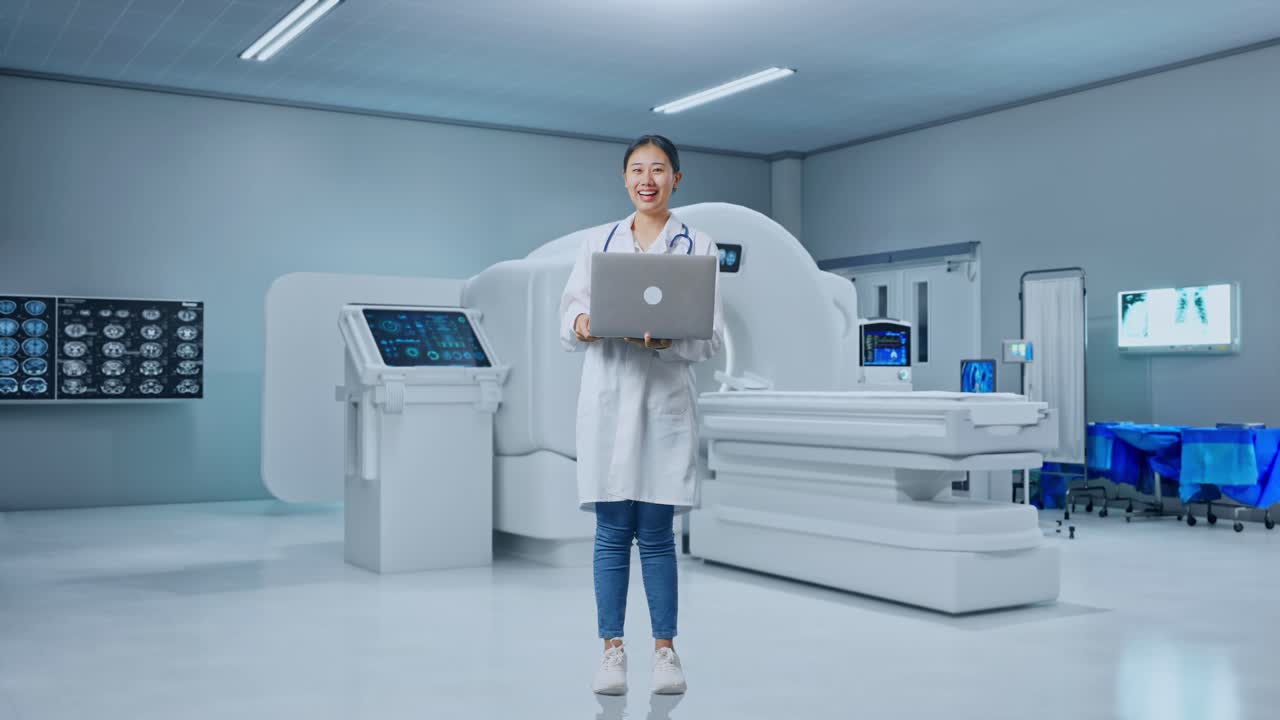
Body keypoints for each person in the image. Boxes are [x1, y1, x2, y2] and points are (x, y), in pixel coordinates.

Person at [559, 135, 724, 696]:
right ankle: (611, 651)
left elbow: (710, 338)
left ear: (678, 177)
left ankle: (666, 653)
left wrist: (666, 342)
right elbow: (571, 315)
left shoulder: (698, 245)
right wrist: (587, 325)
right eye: (636, 170)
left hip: (664, 401)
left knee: (655, 533)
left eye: (658, 170)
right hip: (608, 398)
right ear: (624, 178)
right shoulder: (597, 242)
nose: (646, 179)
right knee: (610, 531)